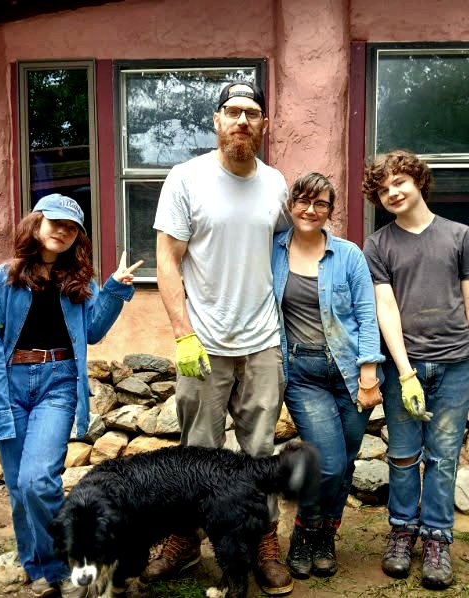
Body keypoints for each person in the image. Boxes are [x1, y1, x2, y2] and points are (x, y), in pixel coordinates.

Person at [149, 80, 294, 595]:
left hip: (262, 340)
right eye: (232, 111)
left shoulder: (277, 184)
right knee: (197, 451)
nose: (241, 120)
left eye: (252, 113)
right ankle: (185, 540)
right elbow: (168, 259)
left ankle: (262, 541)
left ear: (264, 126)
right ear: (215, 120)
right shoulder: (186, 178)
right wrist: (182, 334)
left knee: (260, 450)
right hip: (203, 343)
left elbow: (284, 249)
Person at [0, 194, 142, 598]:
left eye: (72, 227)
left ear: (77, 237)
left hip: (58, 383)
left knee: (38, 480)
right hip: (7, 384)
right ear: (36, 224)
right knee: (19, 486)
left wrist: (112, 290)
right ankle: (38, 565)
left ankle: (60, 565)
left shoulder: (78, 282)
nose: (62, 230)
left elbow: (92, 332)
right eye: (55, 222)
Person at [361, 150, 469, 590]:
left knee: (441, 459)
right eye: (383, 190)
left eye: (398, 182)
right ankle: (402, 532)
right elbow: (385, 307)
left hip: (455, 365)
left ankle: (437, 539)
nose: (392, 193)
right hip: (405, 366)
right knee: (403, 456)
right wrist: (403, 373)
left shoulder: (459, 236)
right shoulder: (378, 244)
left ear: (419, 180)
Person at [272, 172, 385, 579]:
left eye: (320, 203)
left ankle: (326, 536)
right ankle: (304, 530)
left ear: (330, 211)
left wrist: (369, 374)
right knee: (329, 463)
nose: (310, 209)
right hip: (304, 375)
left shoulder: (349, 255)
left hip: (352, 371)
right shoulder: (273, 253)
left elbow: (367, 314)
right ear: (291, 205)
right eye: (303, 200)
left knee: (346, 460)